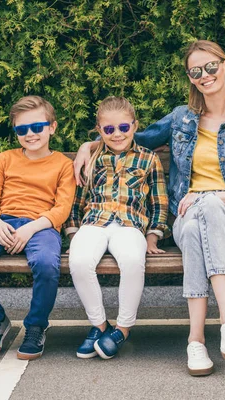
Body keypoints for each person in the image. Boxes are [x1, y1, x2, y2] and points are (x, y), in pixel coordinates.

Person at [74, 40, 225, 375]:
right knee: (194, 222)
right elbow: (133, 139)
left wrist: (212, 197)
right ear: (191, 77)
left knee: (204, 217)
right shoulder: (181, 118)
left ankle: (197, 339)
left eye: (211, 67)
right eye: (196, 71)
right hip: (185, 215)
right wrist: (88, 144)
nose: (205, 75)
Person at [0, 95, 76, 360]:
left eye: (37, 127)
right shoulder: (5, 159)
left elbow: (61, 209)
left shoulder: (64, 165)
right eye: (22, 129)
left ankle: (36, 326)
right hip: (2, 224)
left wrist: (30, 229)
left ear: (52, 127)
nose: (30, 134)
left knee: (45, 263)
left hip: (41, 227)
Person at [66, 96, 169, 360]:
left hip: (129, 225)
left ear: (135, 125)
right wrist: (74, 232)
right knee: (78, 261)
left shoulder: (148, 159)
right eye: (109, 129)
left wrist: (153, 236)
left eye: (124, 127)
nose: (117, 134)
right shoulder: (92, 156)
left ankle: (122, 329)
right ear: (99, 130)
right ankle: (100, 325)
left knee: (134, 261)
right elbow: (77, 199)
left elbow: (158, 202)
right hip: (94, 222)